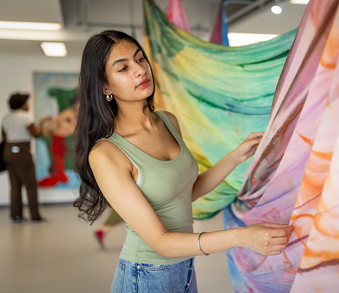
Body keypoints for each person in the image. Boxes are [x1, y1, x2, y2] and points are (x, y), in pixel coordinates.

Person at [73, 30, 293, 293]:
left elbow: (188, 192)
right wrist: (243, 236)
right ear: (104, 86)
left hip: (185, 266)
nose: (140, 71)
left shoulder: (167, 121)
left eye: (140, 59)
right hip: (145, 276)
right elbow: (161, 242)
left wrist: (236, 155)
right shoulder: (106, 153)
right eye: (123, 68)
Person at [1, 93, 52, 224]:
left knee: (15, 185)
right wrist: (41, 122)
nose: (28, 105)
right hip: (22, 151)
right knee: (30, 185)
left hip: (7, 151)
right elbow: (36, 134)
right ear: (22, 104)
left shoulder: (7, 118)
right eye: (26, 103)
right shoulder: (26, 117)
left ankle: (16, 216)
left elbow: (5, 137)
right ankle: (35, 216)